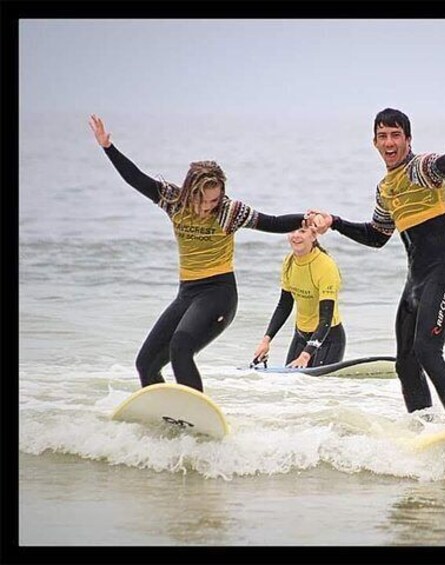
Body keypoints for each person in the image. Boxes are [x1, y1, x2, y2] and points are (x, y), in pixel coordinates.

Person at [89, 114, 308, 393]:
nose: (207, 207)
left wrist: (308, 218)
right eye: (202, 200)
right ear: (189, 191)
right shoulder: (173, 201)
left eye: (213, 200)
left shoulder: (230, 212)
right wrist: (108, 147)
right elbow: (136, 179)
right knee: (145, 364)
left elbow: (274, 222)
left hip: (219, 294)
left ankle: (193, 418)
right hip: (187, 293)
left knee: (181, 345)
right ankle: (169, 421)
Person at [307, 108, 445, 425]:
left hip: (444, 275)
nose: (389, 142)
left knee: (428, 351)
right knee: (405, 362)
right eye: (383, 136)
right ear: (375, 142)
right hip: (415, 283)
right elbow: (376, 236)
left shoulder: (420, 168)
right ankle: (424, 426)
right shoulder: (385, 189)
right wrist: (334, 223)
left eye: (396, 135)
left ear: (407, 139)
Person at [251, 225, 345, 369]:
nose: (296, 235)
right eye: (293, 231)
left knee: (319, 388)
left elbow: (326, 319)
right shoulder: (289, 261)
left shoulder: (326, 266)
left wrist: (305, 355)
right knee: (292, 386)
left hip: (328, 339)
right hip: (301, 336)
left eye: (302, 231)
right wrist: (266, 340)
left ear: (313, 236)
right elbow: (284, 305)